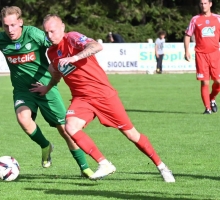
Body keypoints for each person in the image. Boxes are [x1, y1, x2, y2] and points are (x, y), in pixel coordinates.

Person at [30, 14, 176, 182]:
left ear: (62, 27)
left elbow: (97, 46)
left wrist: (75, 57)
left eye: (53, 31)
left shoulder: (72, 38)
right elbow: (57, 75)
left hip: (102, 95)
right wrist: (46, 87)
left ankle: (162, 166)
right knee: (70, 127)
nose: (49, 36)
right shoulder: (52, 52)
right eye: (46, 32)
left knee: (132, 135)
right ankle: (104, 163)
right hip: (82, 98)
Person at [0, 6, 94, 177]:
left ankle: (84, 167)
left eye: (13, 25)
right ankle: (45, 146)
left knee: (65, 130)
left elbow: (56, 42)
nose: (10, 30)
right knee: (23, 119)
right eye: (6, 26)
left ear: (20, 22)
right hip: (22, 91)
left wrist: (73, 55)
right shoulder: (1, 38)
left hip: (45, 88)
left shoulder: (33, 34)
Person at [184, 0, 220, 114]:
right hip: (201, 54)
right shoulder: (195, 19)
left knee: (218, 81)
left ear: (210, 4)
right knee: (205, 82)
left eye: (205, 3)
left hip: (215, 54)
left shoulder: (218, 18)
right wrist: (187, 51)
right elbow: (187, 35)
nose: (203, 5)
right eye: (201, 3)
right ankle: (207, 108)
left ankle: (212, 98)